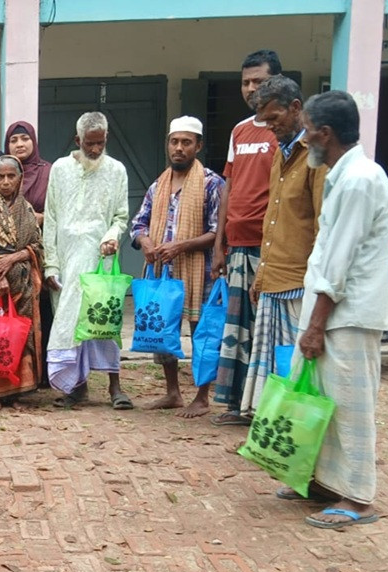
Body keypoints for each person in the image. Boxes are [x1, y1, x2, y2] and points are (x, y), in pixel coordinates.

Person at [288, 91, 388, 529]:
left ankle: (359, 498)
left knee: (351, 408)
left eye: (307, 128)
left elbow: (341, 261)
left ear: (324, 133)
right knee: (324, 400)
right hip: (332, 313)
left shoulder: (358, 180)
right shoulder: (344, 175)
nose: (303, 136)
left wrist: (316, 324)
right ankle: (328, 483)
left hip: (347, 315)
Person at [231, 76, 325, 426]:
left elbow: (320, 227)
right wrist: (262, 275)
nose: (269, 128)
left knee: (295, 373)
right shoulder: (280, 155)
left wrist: (316, 286)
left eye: (274, 119)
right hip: (273, 280)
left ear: (296, 108)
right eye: (265, 121)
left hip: (300, 284)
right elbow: (275, 217)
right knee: (274, 372)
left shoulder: (314, 159)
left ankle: (296, 443)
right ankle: (275, 441)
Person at [130, 116, 224, 417]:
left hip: (200, 268)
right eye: (174, 142)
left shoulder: (212, 183)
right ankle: (173, 393)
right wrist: (144, 241)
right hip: (161, 270)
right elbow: (138, 222)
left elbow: (217, 232)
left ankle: (202, 397)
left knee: (201, 333)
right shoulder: (160, 184)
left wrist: (180, 246)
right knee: (163, 329)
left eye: (186, 142)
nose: (179, 148)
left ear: (198, 145)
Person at [43, 112, 133, 410]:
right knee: (70, 323)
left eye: (100, 143)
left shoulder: (117, 170)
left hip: (100, 258)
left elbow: (121, 216)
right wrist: (51, 264)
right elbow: (52, 218)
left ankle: (115, 388)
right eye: (89, 144)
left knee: (104, 322)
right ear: (77, 140)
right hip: (67, 260)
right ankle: (76, 387)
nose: (95, 150)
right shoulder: (59, 169)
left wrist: (112, 236)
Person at [212, 50, 283, 425]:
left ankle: (266, 409)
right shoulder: (240, 131)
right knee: (237, 330)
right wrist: (220, 242)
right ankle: (239, 404)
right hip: (237, 243)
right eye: (246, 82)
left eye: (259, 81)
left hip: (270, 246)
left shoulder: (284, 130)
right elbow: (229, 184)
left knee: (266, 329)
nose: (251, 88)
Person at [0, 155, 44, 404]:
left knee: (19, 333)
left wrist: (13, 259)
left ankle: (18, 389)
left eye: (10, 176)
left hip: (22, 283)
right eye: (0, 177)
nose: (5, 182)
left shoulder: (26, 209)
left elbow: (36, 245)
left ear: (20, 178)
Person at [3, 120, 54, 387]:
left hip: (37, 252)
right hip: (5, 258)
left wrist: (35, 218)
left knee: (41, 311)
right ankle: (13, 372)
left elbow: (58, 210)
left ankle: (41, 375)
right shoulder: (2, 172)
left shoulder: (49, 172)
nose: (20, 144)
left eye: (24, 139)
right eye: (14, 140)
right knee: (11, 313)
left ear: (33, 141)